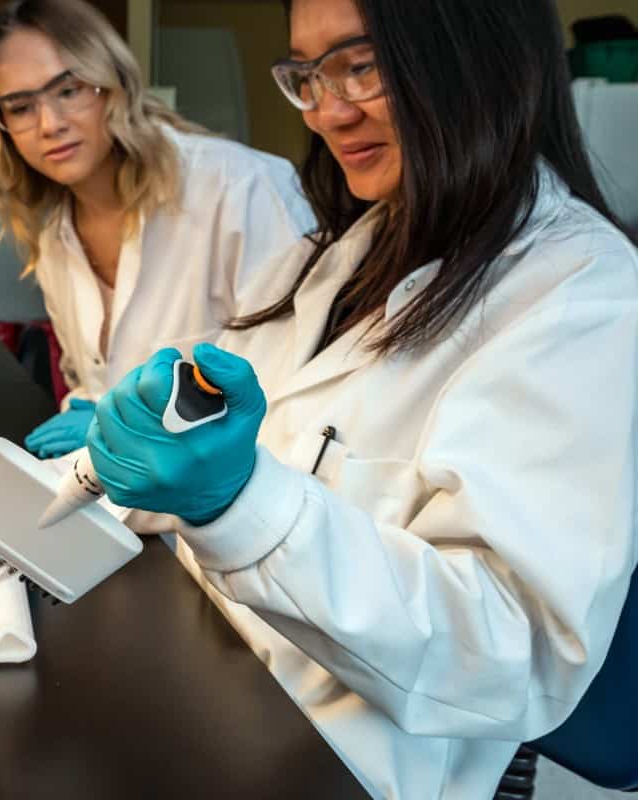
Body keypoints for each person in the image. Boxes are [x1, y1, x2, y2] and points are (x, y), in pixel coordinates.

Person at [76, 0, 638, 797]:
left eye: (360, 65)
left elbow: (513, 653)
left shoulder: (580, 292)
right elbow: (197, 454)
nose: (329, 111)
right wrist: (66, 476)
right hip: (212, 692)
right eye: (307, 74)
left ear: (479, 53)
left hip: (344, 770)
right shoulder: (332, 254)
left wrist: (238, 504)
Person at [0, 0, 313, 460]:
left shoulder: (243, 189)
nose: (49, 124)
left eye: (68, 90)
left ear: (114, 86)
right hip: (124, 508)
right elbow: (92, 387)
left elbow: (297, 393)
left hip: (233, 517)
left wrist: (128, 427)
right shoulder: (56, 238)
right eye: (21, 107)